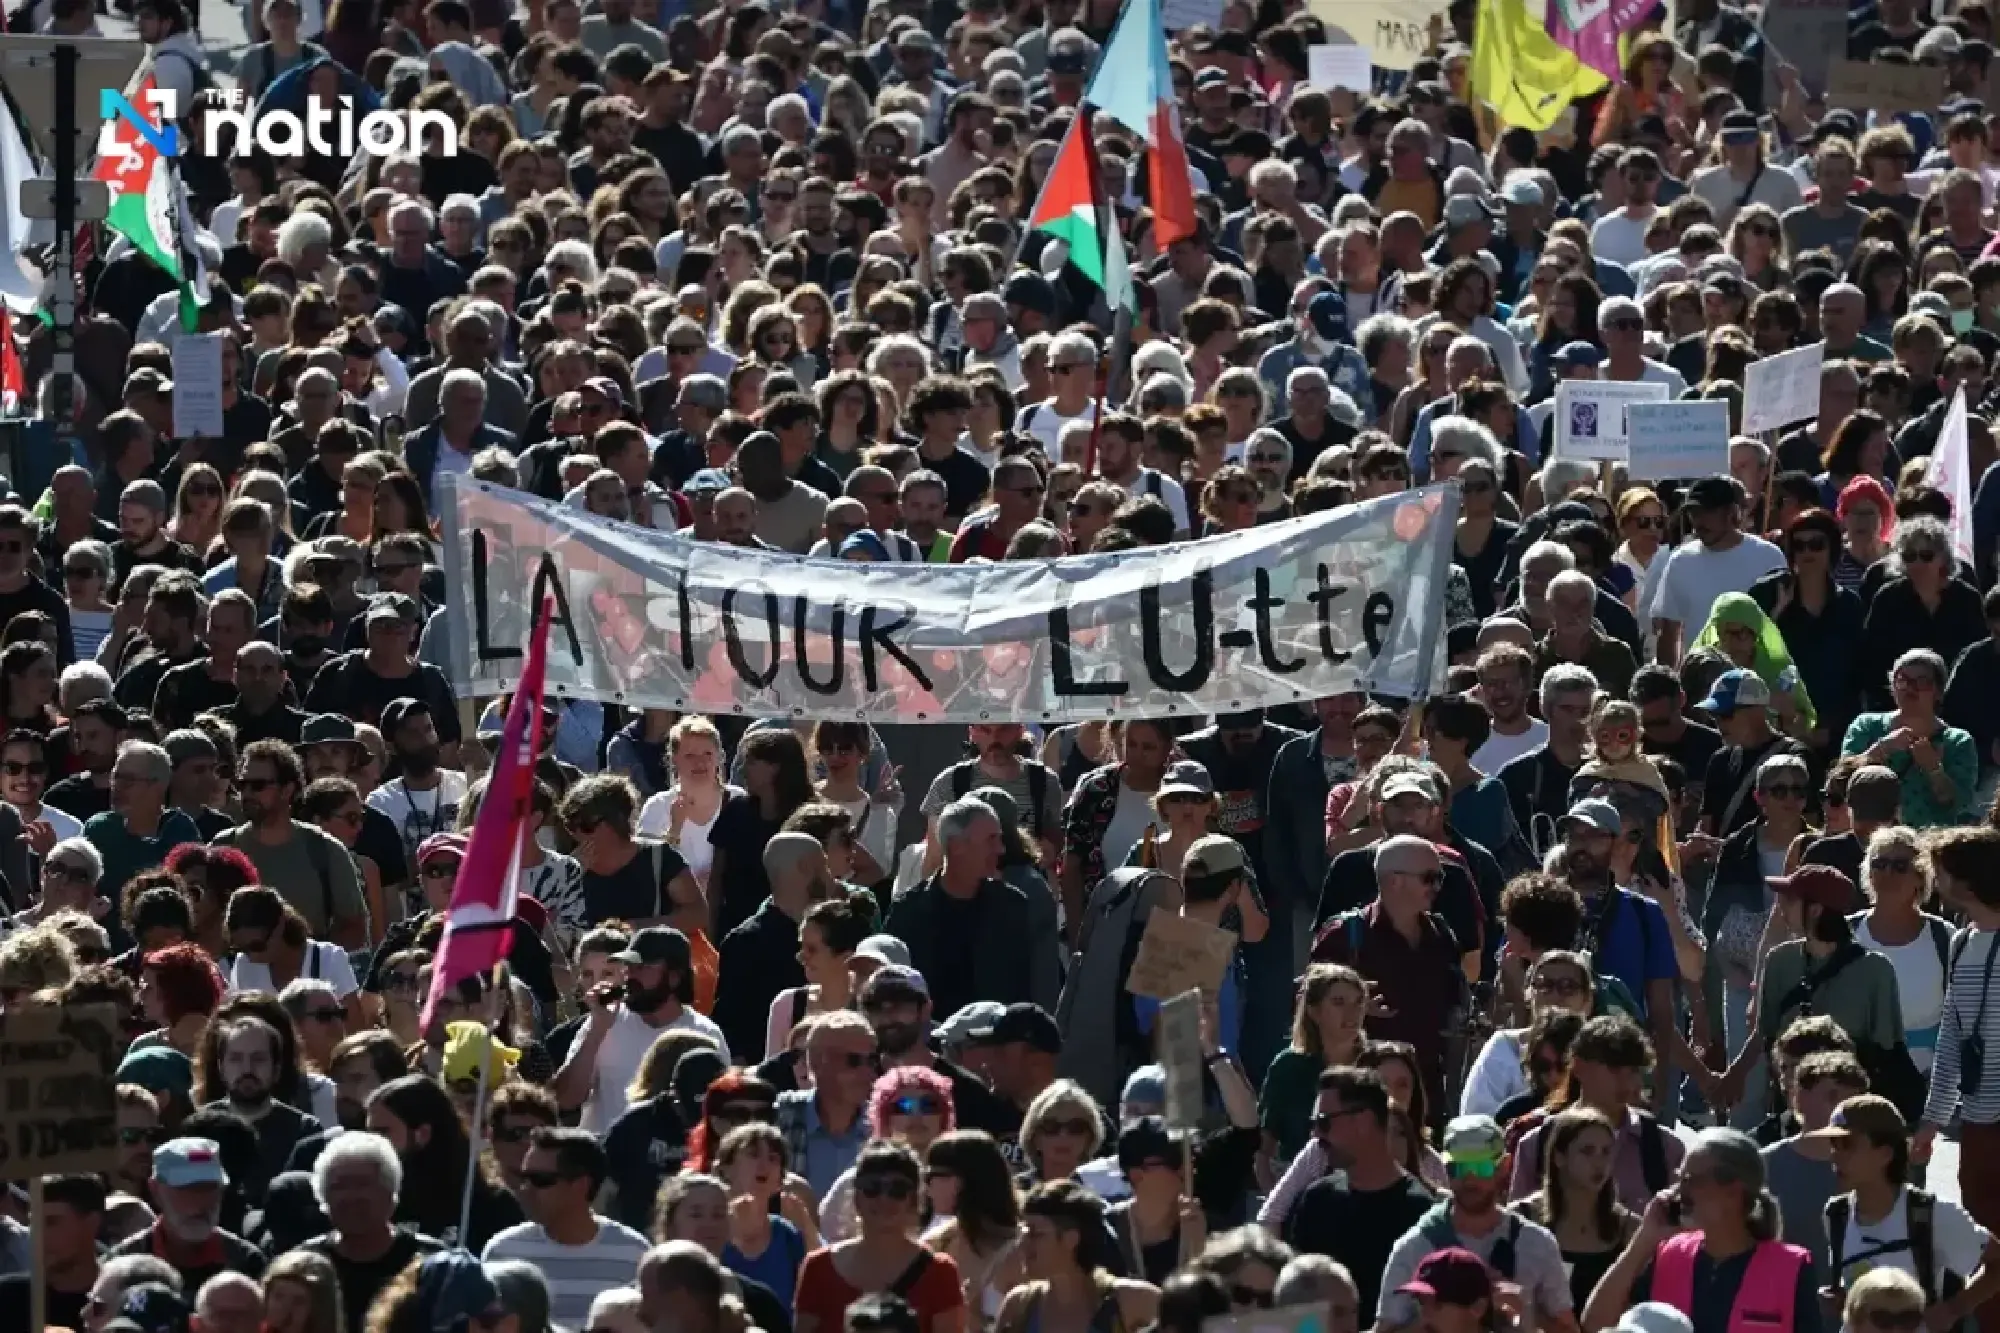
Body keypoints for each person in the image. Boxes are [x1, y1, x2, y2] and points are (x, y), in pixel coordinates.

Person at [1582, 1128, 1819, 1333]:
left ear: (1733, 1192)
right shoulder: (1669, 1255)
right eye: (1680, 1178)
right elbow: (1594, 1322)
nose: (1678, 1191)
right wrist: (1644, 1239)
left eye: (1691, 1180)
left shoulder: (1792, 1267)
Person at [1813, 1091, 2000, 1320]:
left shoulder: (1932, 1214)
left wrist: (1954, 1309)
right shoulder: (1835, 1214)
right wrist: (1842, 1301)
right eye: (1833, 1145)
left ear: (1885, 1154)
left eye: (1847, 1145)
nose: (1835, 1156)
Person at [1378, 1114, 1574, 1332]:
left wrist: (1528, 1310)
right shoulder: (1416, 1246)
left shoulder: (1537, 1244)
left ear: (1504, 1166)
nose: (1469, 1179)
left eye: (1481, 1167)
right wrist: (1434, 1313)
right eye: (1457, 1168)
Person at [1283, 1066, 1439, 1317]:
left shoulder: (1419, 1214)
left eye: (1324, 1123)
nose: (1316, 1134)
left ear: (1363, 1121)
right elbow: (1299, 1306)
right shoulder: (1317, 1201)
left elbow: (1426, 1316)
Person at [557, 925, 728, 1132]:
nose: (630, 976)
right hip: (607, 1158)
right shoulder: (604, 1022)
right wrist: (596, 1032)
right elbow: (566, 1099)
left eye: (642, 967)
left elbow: (721, 1114)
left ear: (674, 977)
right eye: (629, 966)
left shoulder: (704, 1034)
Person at [481, 1127, 651, 1328]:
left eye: (540, 1180)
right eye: (523, 1177)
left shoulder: (635, 1255)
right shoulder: (502, 1253)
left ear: (580, 1185)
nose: (525, 1189)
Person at [794, 1141, 965, 1333]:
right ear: (856, 1198)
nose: (884, 1199)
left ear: (914, 1200)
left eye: (897, 1190)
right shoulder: (818, 1268)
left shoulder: (940, 1273)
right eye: (872, 1188)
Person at [108, 1137, 268, 1292]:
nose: (200, 1201)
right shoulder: (121, 1264)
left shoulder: (248, 1263)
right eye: (186, 1188)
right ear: (155, 1190)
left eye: (209, 1187)